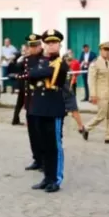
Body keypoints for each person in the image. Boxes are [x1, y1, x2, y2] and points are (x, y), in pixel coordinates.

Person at [26, 29, 68, 192]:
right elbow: (32, 73)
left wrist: (33, 73)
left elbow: (42, 73)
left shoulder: (60, 63)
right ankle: (47, 177)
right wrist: (32, 73)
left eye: (54, 43)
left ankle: (56, 179)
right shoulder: (42, 60)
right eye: (48, 43)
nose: (51, 46)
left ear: (59, 45)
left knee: (55, 146)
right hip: (40, 107)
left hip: (53, 107)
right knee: (45, 144)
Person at [85, 42, 109, 145]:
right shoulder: (95, 63)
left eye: (108, 50)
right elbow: (91, 80)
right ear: (100, 50)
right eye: (104, 49)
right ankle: (86, 128)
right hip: (101, 94)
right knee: (101, 115)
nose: (106, 51)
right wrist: (93, 95)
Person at [20, 35, 43, 169]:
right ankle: (37, 159)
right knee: (33, 133)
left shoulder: (44, 60)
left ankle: (45, 161)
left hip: (41, 101)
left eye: (35, 46)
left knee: (41, 133)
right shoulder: (26, 60)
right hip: (30, 102)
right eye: (31, 46)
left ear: (40, 46)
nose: (32, 49)